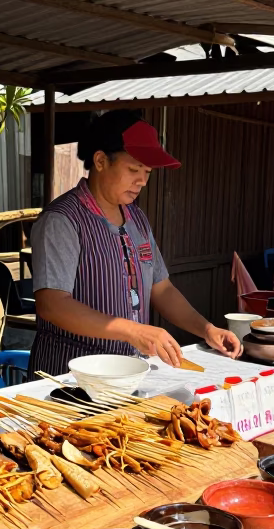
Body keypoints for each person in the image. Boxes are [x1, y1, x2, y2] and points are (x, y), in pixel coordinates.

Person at [28, 110, 243, 376]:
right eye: (133, 169)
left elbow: (161, 289)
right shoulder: (62, 221)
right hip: (71, 378)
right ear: (100, 161)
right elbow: (52, 304)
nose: (141, 181)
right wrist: (133, 330)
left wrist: (206, 329)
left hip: (128, 376)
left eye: (147, 172)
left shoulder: (136, 219)